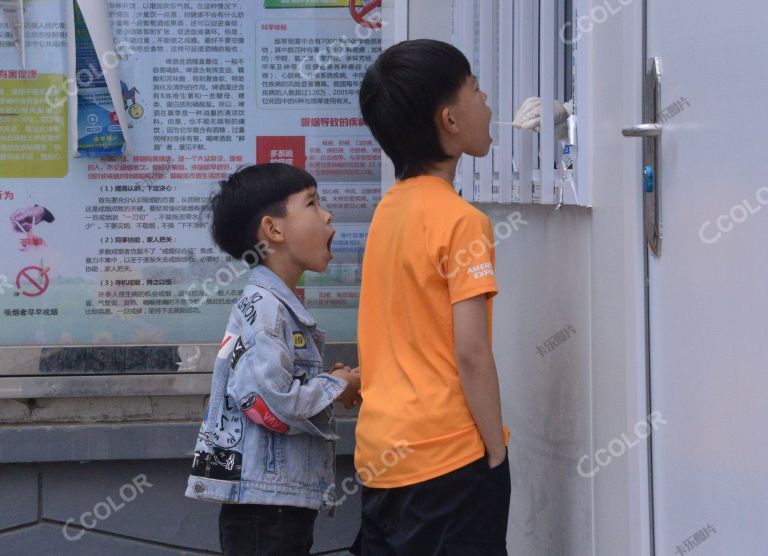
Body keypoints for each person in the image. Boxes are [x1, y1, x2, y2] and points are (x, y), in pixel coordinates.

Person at [353, 39, 511, 555]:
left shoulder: (387, 213)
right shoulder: (464, 223)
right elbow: (471, 352)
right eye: (475, 88)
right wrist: (494, 451)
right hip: (446, 460)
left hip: (381, 456)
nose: (486, 100)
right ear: (449, 120)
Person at [184, 163, 362, 556]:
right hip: (265, 511)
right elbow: (272, 401)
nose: (327, 214)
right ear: (274, 230)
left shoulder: (275, 307)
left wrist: (329, 386)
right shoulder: (265, 310)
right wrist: (338, 386)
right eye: (312, 203)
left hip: (274, 504)